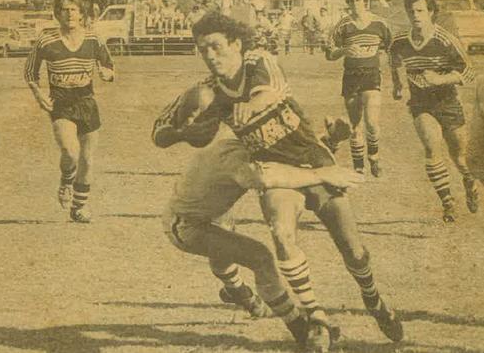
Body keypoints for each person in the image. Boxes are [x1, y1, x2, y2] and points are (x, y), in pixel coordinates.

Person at [189, 11, 404, 342]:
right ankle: (315, 315)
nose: (210, 56)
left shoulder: (257, 60)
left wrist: (254, 102)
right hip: (277, 171)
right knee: (282, 233)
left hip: (312, 158)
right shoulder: (210, 90)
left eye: (216, 46)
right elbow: (183, 127)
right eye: (203, 50)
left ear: (235, 43)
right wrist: (180, 127)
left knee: (353, 250)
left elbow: (271, 90)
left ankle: (372, 297)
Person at [152, 96, 364, 350]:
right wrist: (322, 172)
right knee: (260, 257)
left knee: (226, 239)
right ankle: (299, 328)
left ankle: (239, 293)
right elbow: (268, 177)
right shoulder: (236, 156)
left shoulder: (239, 142)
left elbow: (284, 157)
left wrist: (329, 140)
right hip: (186, 225)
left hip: (208, 214)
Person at [389, 0, 478, 221]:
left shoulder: (445, 39)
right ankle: (447, 202)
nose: (415, 15)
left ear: (430, 12)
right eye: (411, 11)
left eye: (420, 10)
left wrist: (441, 78)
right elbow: (394, 61)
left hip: (448, 101)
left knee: (460, 158)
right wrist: (397, 84)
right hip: (421, 103)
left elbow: (469, 72)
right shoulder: (400, 41)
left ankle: (469, 181)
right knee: (432, 148)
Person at [25, 0, 114, 223]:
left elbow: (109, 65)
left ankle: (79, 207)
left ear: (82, 13)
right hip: (60, 100)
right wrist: (38, 95)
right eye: (64, 9)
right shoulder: (46, 39)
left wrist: (107, 73)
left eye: (74, 9)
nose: (69, 14)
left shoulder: (94, 38)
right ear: (57, 14)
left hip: (86, 100)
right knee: (70, 151)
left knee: (87, 159)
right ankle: (66, 181)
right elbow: (29, 72)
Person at [325, 0, 392, 177]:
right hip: (351, 77)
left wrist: (379, 60)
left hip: (372, 75)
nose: (356, 5)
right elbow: (329, 54)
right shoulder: (343, 26)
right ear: (348, 3)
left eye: (359, 0)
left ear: (365, 2)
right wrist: (344, 51)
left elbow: (391, 50)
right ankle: (358, 166)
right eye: (352, 1)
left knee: (372, 122)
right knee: (355, 124)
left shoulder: (380, 23)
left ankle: (374, 156)